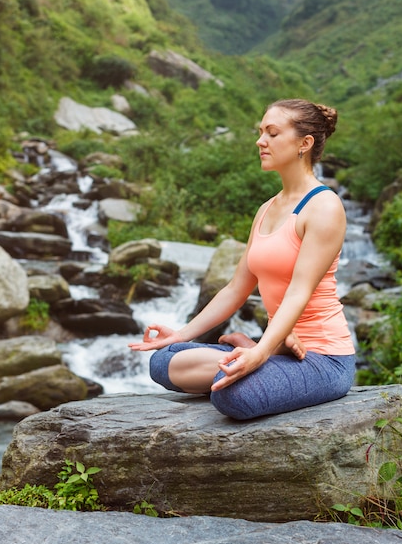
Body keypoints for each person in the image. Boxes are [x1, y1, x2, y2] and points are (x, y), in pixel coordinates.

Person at [128, 98, 357, 420]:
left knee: (231, 394)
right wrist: (182, 334)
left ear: (304, 144)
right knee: (164, 361)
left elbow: (298, 292)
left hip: (323, 358)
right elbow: (236, 288)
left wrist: (260, 353)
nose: (260, 141)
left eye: (272, 133)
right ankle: (267, 351)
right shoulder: (267, 209)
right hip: (278, 345)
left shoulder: (324, 206)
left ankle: (262, 352)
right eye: (261, 132)